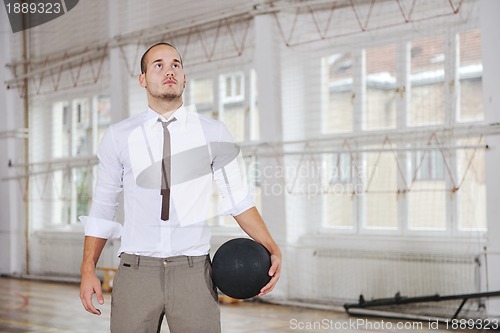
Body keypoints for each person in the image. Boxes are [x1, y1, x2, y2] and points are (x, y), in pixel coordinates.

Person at [79, 42, 282, 333]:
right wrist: (88, 269)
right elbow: (103, 206)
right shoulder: (118, 136)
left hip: (193, 273)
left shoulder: (214, 133)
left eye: (176, 64)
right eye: (158, 65)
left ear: (184, 77)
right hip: (136, 272)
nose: (169, 71)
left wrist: (272, 247)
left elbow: (238, 201)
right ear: (143, 79)